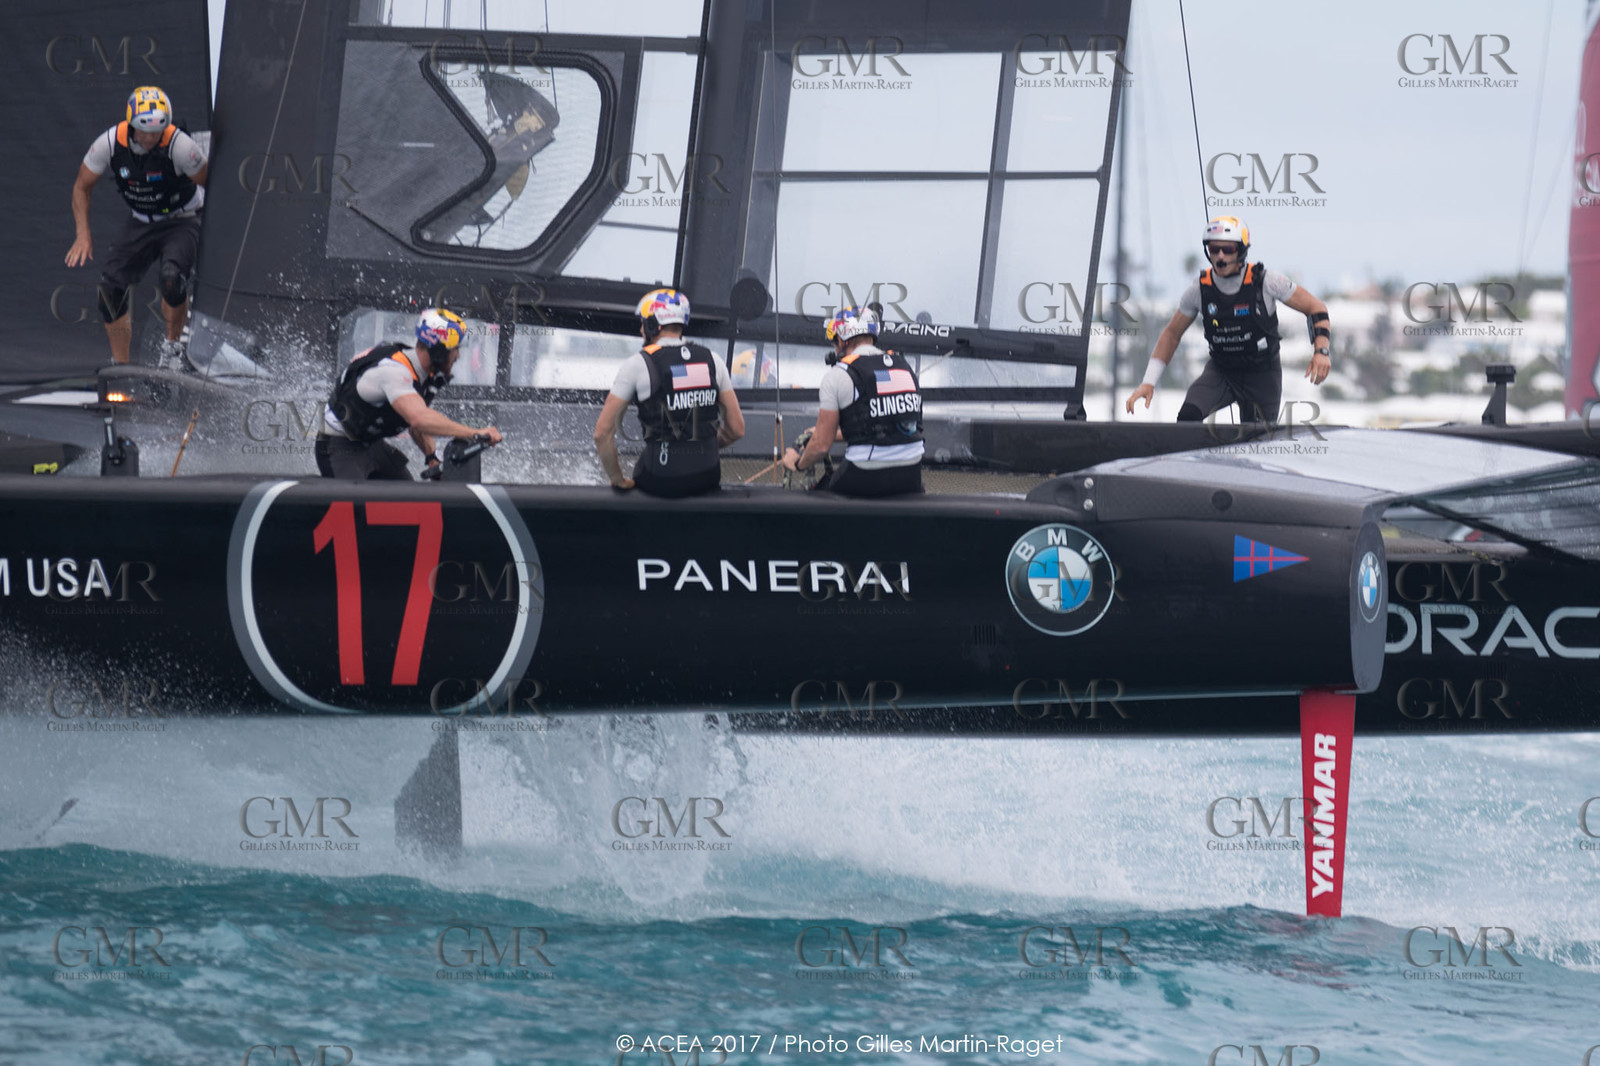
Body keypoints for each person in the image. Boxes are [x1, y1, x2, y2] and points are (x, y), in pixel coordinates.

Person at [1124, 216, 1332, 424]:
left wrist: (1321, 352)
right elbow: (1171, 334)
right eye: (1214, 249)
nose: (1220, 256)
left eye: (1228, 250)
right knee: (1188, 418)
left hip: (1262, 374)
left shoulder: (1267, 281)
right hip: (1221, 372)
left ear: (1241, 250)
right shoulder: (1198, 289)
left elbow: (1316, 307)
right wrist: (1148, 382)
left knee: (1256, 440)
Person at [66, 87, 209, 369]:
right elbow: (82, 187)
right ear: (131, 125)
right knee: (109, 292)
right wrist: (83, 235)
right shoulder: (109, 142)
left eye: (157, 131)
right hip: (141, 221)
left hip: (183, 218)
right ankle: (122, 367)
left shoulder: (181, 147)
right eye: (144, 131)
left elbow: (214, 188)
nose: (150, 138)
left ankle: (172, 350)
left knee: (171, 278)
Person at [315, 308, 502, 480]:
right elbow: (419, 419)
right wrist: (475, 433)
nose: (458, 356)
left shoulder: (424, 372)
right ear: (438, 350)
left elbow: (417, 422)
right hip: (338, 446)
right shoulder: (394, 371)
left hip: (372, 445)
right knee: (354, 511)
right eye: (455, 349)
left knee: (409, 505)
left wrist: (431, 457)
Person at [593, 288, 745, 497]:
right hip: (709, 476)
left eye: (642, 323)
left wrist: (617, 479)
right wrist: (700, 449)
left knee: (645, 462)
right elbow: (736, 429)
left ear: (652, 324)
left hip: (660, 482)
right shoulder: (713, 359)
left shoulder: (638, 364)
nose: (640, 330)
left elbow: (602, 433)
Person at [781, 305, 924, 497]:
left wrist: (797, 463)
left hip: (865, 473)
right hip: (911, 474)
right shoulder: (904, 367)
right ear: (872, 336)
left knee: (817, 494)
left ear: (840, 340)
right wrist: (829, 433)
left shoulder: (838, 374)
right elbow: (886, 426)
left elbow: (822, 446)